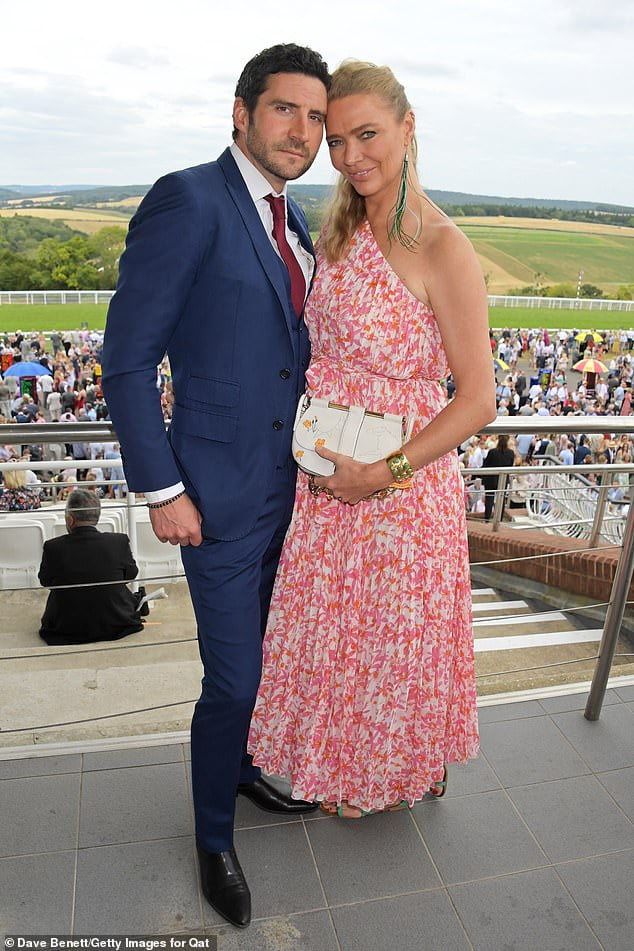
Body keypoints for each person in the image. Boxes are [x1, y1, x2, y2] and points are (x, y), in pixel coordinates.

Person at [101, 44, 330, 929]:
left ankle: (240, 769)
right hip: (217, 498)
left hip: (293, 496)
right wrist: (163, 489)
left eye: (315, 118)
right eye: (285, 111)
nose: (302, 133)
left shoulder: (292, 215)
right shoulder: (189, 198)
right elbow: (125, 363)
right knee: (233, 679)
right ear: (240, 113)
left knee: (262, 668)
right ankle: (212, 838)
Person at [248, 61, 496, 818]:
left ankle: (390, 769)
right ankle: (349, 762)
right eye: (338, 138)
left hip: (398, 487)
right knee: (336, 639)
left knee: (391, 645)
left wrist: (384, 471)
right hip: (327, 477)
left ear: (407, 127)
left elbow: (479, 399)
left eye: (368, 134)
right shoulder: (341, 226)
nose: (351, 154)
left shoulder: (443, 248)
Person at [38, 489, 144, 645]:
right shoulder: (118, 542)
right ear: (97, 516)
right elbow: (131, 574)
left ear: (70, 519)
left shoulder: (53, 547)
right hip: (116, 623)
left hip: (65, 627)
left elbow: (45, 581)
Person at [482, 433, 516, 520]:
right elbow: (510, 466)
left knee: (489, 498)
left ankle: (487, 518)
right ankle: (499, 518)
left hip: (491, 479)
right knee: (501, 498)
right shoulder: (510, 453)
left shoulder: (492, 452)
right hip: (503, 478)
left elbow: (486, 465)